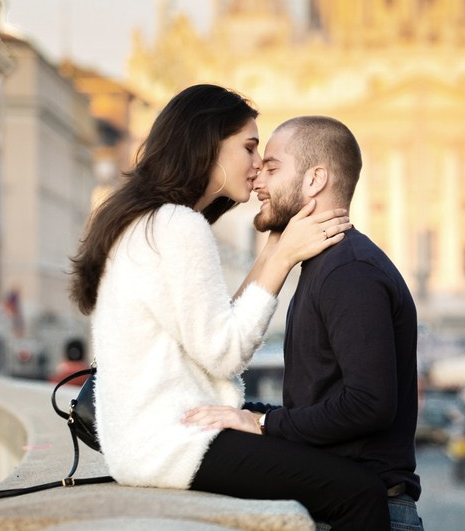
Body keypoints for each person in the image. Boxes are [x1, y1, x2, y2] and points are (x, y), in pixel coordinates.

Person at [69, 86, 389, 530]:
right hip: (173, 444)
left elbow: (210, 331)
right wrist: (282, 260)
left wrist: (272, 251)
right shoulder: (178, 226)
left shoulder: (151, 220)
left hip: (145, 442)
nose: (257, 165)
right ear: (208, 145)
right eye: (249, 147)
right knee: (360, 492)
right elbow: (223, 353)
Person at [184, 115, 424, 530]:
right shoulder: (328, 264)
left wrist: (262, 423)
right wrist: (241, 412)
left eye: (272, 168)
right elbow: (318, 407)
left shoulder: (349, 270)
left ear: (315, 180)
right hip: (343, 502)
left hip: (369, 512)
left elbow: (368, 404)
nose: (258, 180)